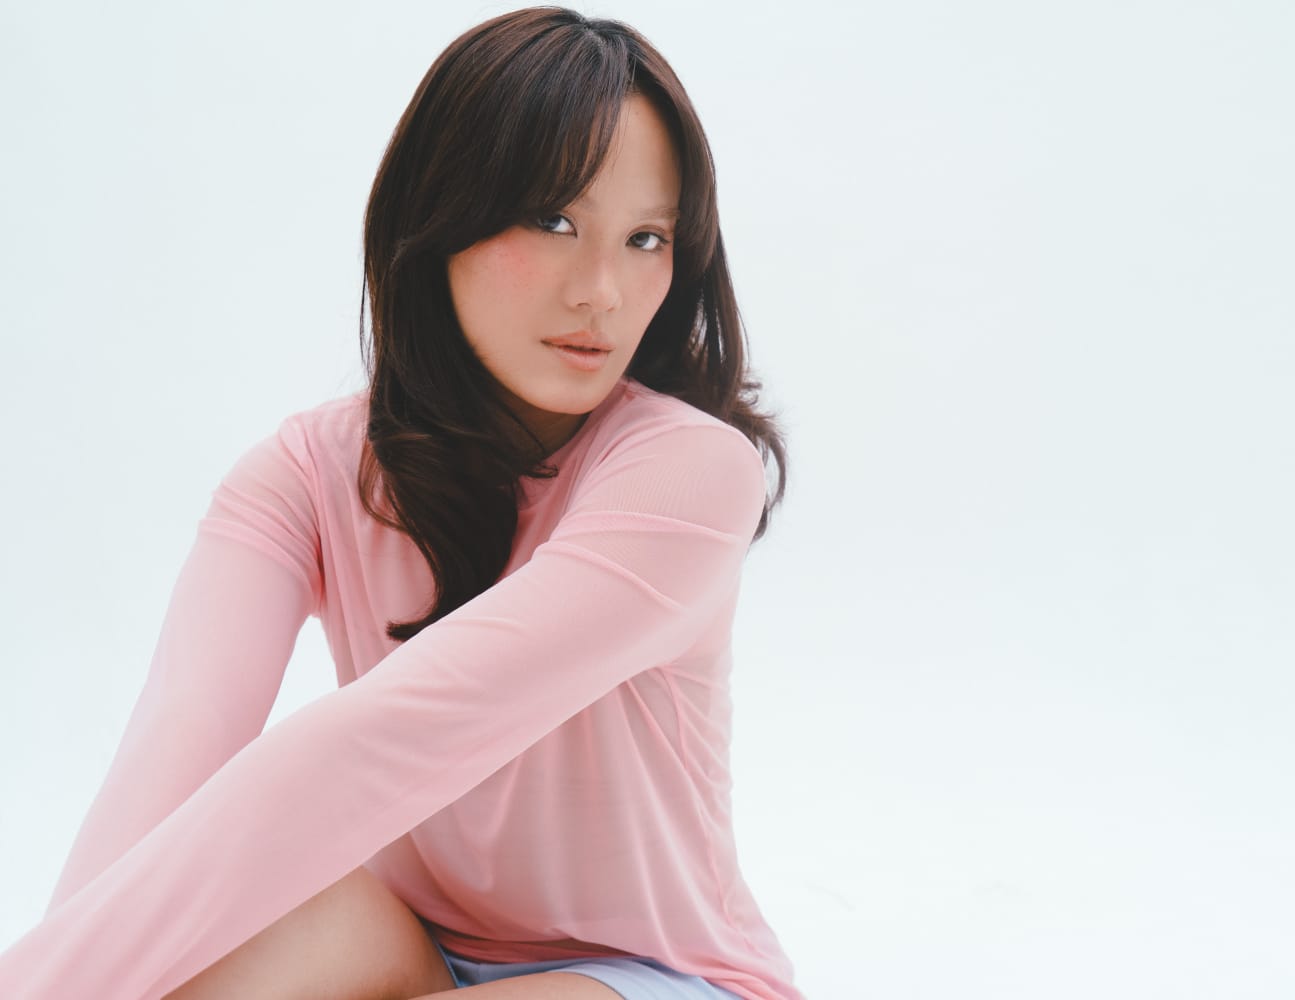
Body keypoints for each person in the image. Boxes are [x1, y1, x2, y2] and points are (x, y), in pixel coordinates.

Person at [0, 7, 801, 999]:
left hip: (656, 976)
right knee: (165, 951)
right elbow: (172, 762)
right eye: (554, 221)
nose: (602, 290)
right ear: (442, 215)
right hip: (409, 948)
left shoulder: (689, 471)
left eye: (647, 238)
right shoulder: (304, 472)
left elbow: (375, 745)